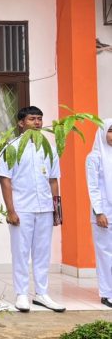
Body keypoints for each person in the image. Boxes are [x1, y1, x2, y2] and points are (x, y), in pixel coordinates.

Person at [0, 106, 65, 313]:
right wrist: (11, 211)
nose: (37, 123)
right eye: (32, 119)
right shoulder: (11, 148)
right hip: (22, 208)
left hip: (45, 208)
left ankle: (42, 294)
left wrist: (57, 210)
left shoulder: (49, 148)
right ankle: (21, 294)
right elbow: (5, 180)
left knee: (42, 252)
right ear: (21, 123)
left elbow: (53, 180)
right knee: (21, 252)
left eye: (39, 119)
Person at [85, 118, 112, 308]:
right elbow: (93, 187)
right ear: (102, 132)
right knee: (105, 255)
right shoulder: (94, 157)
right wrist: (99, 212)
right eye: (110, 130)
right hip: (104, 214)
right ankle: (107, 293)